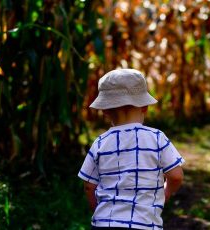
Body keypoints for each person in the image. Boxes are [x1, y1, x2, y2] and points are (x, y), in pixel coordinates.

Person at [78, 68, 185, 230]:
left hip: (104, 223)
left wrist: (97, 210)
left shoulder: (100, 143)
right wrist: (166, 192)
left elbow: (88, 185)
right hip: (144, 224)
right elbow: (176, 176)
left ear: (105, 111)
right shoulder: (157, 138)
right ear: (145, 107)